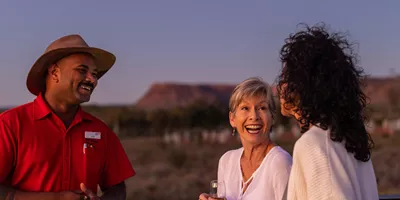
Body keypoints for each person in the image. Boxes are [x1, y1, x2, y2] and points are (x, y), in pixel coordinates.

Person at [0, 34, 135, 200]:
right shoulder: (10, 125)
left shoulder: (100, 131)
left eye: (95, 73)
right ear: (55, 72)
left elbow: (117, 187)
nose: (92, 80)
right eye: (82, 70)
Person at [277, 23, 379, 200]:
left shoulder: (314, 144)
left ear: (302, 86)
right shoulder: (352, 142)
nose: (282, 86)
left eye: (288, 78)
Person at [199, 77, 293, 200]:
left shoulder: (280, 163)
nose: (254, 116)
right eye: (245, 108)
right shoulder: (226, 161)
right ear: (232, 119)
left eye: (262, 108)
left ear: (273, 117)